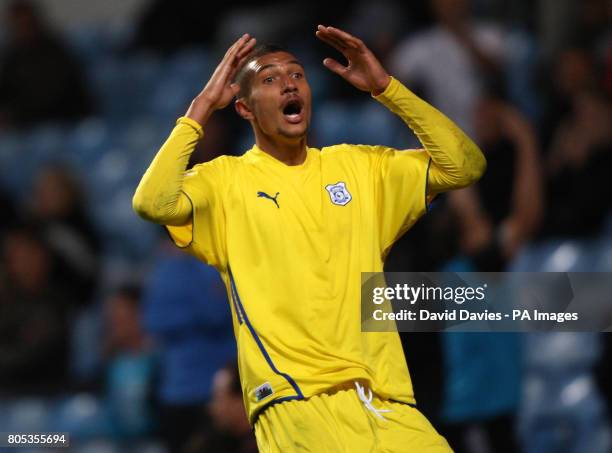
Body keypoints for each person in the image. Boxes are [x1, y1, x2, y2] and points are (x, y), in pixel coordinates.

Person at [133, 26, 486, 452]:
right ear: (244, 108)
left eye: (296, 75)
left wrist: (388, 89)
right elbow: (151, 202)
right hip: (296, 403)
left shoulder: (360, 168)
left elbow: (464, 166)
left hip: (387, 402)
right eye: (269, 78)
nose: (288, 83)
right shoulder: (223, 182)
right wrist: (201, 109)